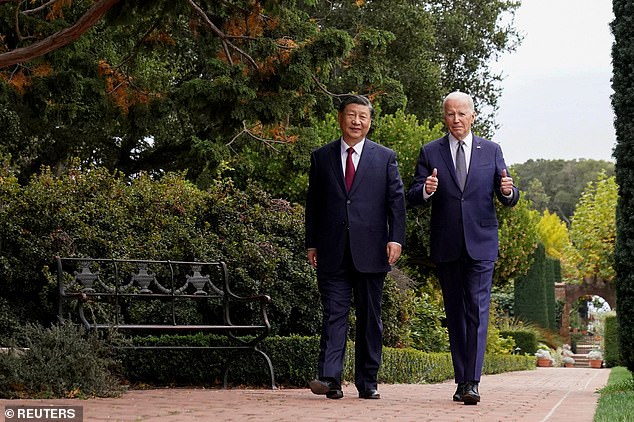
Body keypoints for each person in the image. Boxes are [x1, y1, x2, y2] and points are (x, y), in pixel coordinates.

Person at [407, 91, 519, 405]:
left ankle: (472, 382)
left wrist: (509, 192)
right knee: (455, 314)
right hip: (447, 244)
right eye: (450, 114)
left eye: (461, 114)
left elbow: (507, 191)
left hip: (482, 244)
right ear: (444, 117)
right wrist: (426, 191)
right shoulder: (431, 151)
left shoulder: (492, 150)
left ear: (472, 117)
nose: (456, 120)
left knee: (477, 312)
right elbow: (413, 193)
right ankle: (461, 380)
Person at [305, 95, 406, 400]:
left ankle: (368, 381)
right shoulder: (321, 157)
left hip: (372, 250)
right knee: (334, 313)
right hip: (331, 249)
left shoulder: (385, 157)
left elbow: (396, 203)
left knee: (369, 318)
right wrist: (311, 243)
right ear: (340, 118)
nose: (356, 121)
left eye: (363, 116)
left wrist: (395, 238)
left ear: (370, 122)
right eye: (351, 115)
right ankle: (330, 378)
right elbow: (314, 205)